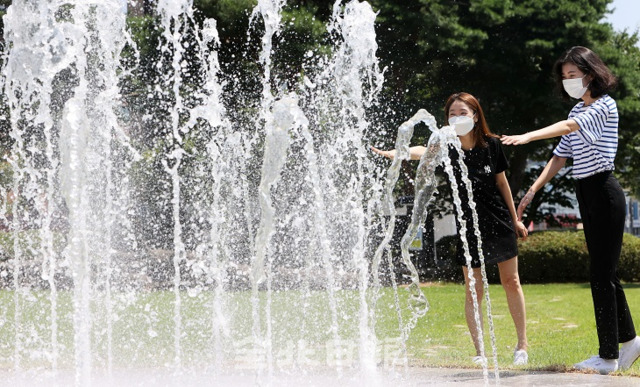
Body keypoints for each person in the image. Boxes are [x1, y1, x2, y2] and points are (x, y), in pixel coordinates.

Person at [501, 46, 640, 374]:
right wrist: (532, 191)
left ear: (591, 74)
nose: (568, 82)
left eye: (573, 76)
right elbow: (560, 156)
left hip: (604, 190)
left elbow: (569, 129)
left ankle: (608, 356)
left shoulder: (604, 106)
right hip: (586, 193)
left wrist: (526, 136)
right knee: (604, 273)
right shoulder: (577, 109)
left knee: (600, 275)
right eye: (564, 77)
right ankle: (631, 342)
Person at [372, 92, 529, 366]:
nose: (457, 118)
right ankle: (480, 352)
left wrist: (515, 219)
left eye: (463, 113)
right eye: (452, 114)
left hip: (499, 220)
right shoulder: (447, 147)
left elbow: (502, 184)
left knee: (511, 282)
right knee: (473, 288)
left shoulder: (491, 145)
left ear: (476, 115)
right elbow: (423, 150)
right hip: (468, 225)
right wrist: (400, 153)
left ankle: (522, 346)